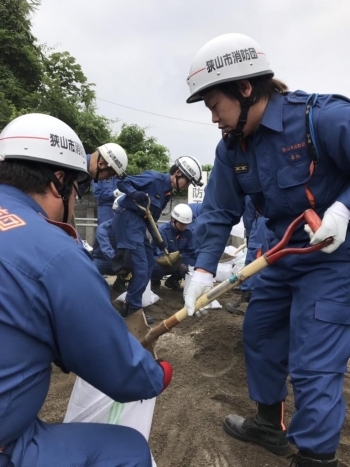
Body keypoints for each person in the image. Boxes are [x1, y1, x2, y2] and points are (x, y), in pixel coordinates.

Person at [184, 32, 350, 466]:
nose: (214, 118)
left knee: (313, 359)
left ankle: (315, 457)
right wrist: (201, 271)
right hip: (279, 254)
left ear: (244, 89)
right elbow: (220, 211)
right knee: (259, 334)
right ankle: (267, 425)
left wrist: (344, 208)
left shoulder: (323, 118)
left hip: (334, 259)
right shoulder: (231, 149)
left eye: (214, 106)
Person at [0, 113, 173, 467]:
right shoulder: (54, 252)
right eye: (77, 192)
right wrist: (156, 375)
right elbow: (118, 369)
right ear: (58, 182)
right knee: (128, 450)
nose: (76, 204)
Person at [113, 157, 203, 324]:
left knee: (148, 264)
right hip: (127, 218)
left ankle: (130, 303)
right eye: (187, 181)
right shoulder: (154, 178)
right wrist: (133, 192)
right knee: (140, 266)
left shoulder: (167, 194)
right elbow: (122, 182)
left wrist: (159, 241)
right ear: (177, 173)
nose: (186, 186)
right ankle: (132, 308)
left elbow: (150, 219)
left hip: (139, 223)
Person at [225, 195, 271, 313]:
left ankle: (247, 300)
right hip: (273, 221)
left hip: (262, 222)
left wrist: (250, 232)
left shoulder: (253, 183)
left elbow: (250, 207)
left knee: (255, 260)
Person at [151, 204, 197, 291]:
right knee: (156, 267)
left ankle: (173, 280)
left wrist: (201, 263)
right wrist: (179, 265)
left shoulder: (188, 232)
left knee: (193, 263)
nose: (184, 226)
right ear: (173, 219)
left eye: (186, 224)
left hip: (175, 260)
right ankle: (155, 281)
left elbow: (192, 252)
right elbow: (162, 255)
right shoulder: (162, 231)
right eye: (182, 224)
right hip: (159, 259)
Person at [92, 196, 132, 292]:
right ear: (115, 212)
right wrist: (119, 264)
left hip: (121, 262)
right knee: (92, 269)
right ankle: (95, 287)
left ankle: (120, 283)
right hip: (102, 260)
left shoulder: (130, 229)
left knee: (136, 263)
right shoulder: (103, 228)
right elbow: (106, 249)